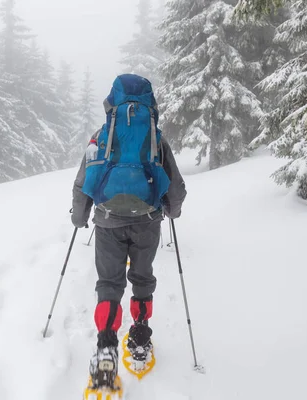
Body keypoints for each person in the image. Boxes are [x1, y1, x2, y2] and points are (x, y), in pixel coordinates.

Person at [71, 74, 186, 389]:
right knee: (142, 278)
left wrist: (79, 216)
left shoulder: (100, 137)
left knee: (109, 283)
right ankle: (139, 337)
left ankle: (106, 348)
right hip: (147, 221)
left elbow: (84, 181)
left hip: (108, 221)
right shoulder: (156, 138)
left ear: (112, 103)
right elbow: (174, 185)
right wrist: (172, 210)